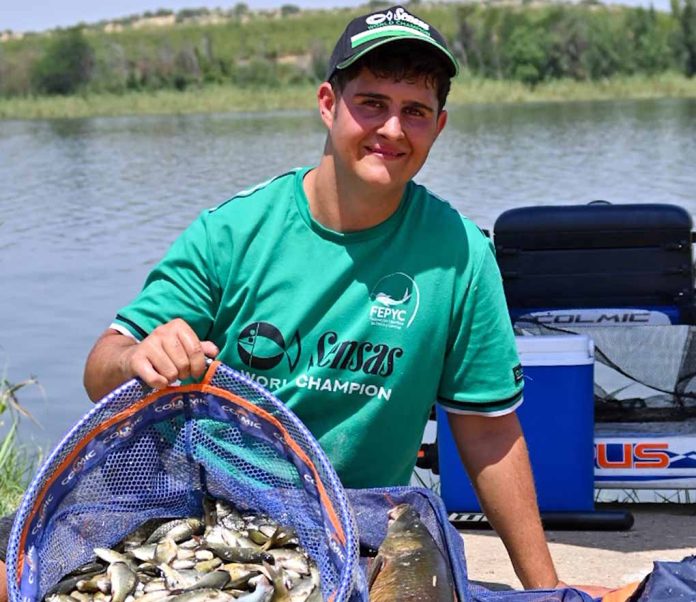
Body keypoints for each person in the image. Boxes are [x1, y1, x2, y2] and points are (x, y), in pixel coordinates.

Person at [0, 6, 612, 600]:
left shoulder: (460, 254)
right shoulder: (234, 232)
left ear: (439, 125)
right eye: (371, 103)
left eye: (415, 111)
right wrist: (137, 357)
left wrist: (547, 591)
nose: (392, 129)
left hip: (355, 526)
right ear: (327, 103)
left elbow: (488, 433)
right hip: (201, 513)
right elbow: (100, 369)